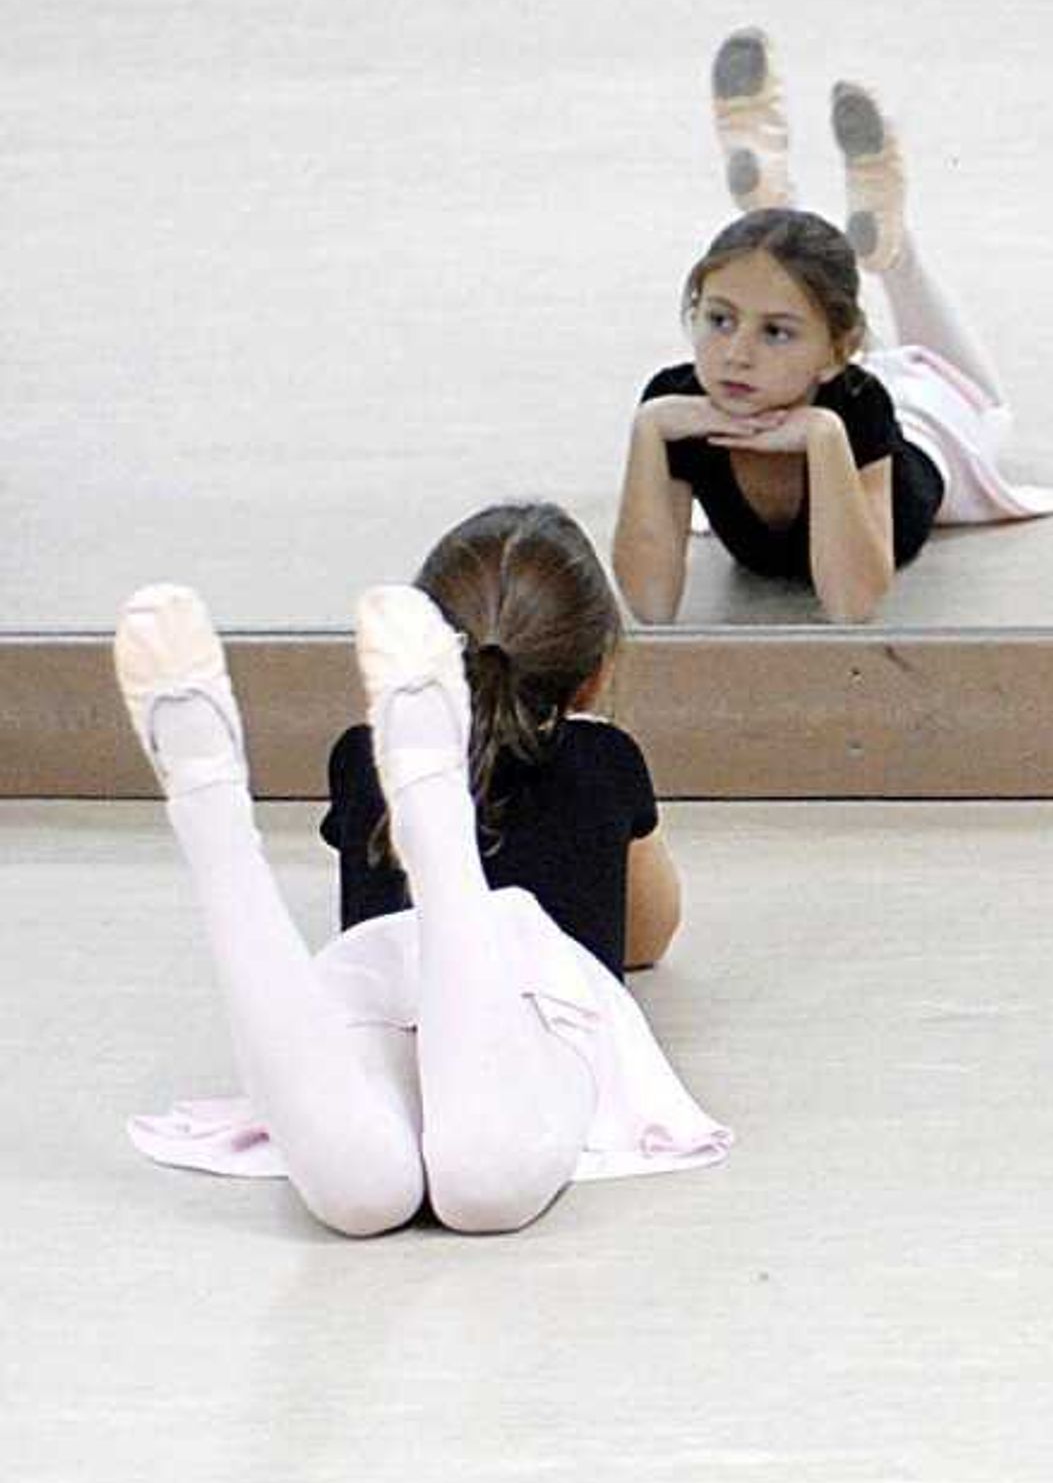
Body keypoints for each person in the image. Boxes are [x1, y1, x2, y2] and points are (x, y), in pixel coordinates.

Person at [113, 505, 728, 1234]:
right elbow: (647, 938)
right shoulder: (605, 759)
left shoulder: (357, 756)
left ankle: (213, 810)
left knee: (363, 1193)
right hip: (533, 984)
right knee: (483, 1187)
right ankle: (442, 844)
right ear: (595, 674)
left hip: (374, 971)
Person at [615, 29, 1053, 624]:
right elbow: (650, 605)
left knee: (984, 407)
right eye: (718, 320)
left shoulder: (859, 405)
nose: (735, 355)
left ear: (839, 358)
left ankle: (892, 251)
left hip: (921, 426)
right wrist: (649, 431)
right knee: (788, 289)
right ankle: (848, 240)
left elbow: (851, 603)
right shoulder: (673, 405)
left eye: (773, 333)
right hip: (824, 363)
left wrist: (824, 437)